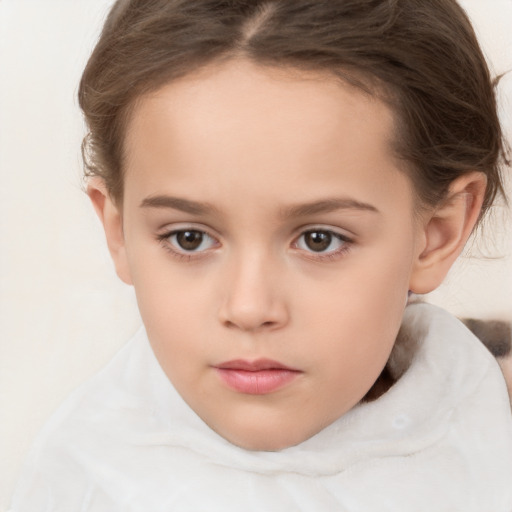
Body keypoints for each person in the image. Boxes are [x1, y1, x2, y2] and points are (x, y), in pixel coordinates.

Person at [10, 0, 512, 510]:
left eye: (320, 239)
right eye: (189, 238)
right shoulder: (78, 482)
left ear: (437, 232)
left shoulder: (491, 445)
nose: (250, 308)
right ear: (118, 231)